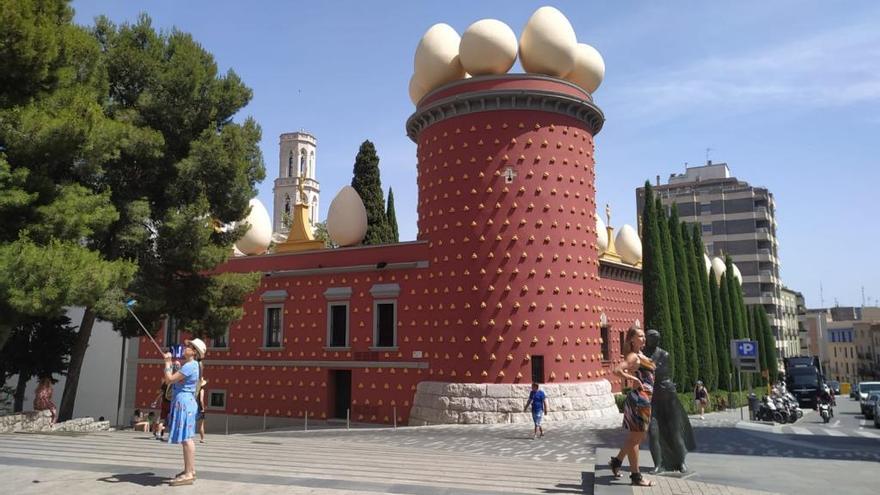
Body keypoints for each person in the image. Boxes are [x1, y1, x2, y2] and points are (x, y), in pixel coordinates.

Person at [609, 325, 655, 487]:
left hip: (644, 399)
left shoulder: (640, 355)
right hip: (638, 400)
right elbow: (617, 370)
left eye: (643, 336)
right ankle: (636, 476)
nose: (643, 338)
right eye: (640, 336)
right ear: (632, 340)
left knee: (637, 437)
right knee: (636, 438)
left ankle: (617, 461)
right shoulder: (634, 357)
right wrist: (633, 379)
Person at [161, 337, 206, 486]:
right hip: (185, 402)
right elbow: (179, 379)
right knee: (187, 438)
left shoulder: (190, 366)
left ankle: (188, 473)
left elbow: (169, 380)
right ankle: (190, 470)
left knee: (187, 439)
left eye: (189, 346)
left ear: (194, 352)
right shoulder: (191, 365)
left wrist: (167, 363)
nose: (185, 347)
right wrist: (175, 367)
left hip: (184, 403)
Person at [196, 376, 207, 443]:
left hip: (193, 406)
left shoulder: (194, 389)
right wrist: (203, 408)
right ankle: (202, 439)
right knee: (201, 424)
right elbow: (201, 400)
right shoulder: (201, 390)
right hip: (199, 408)